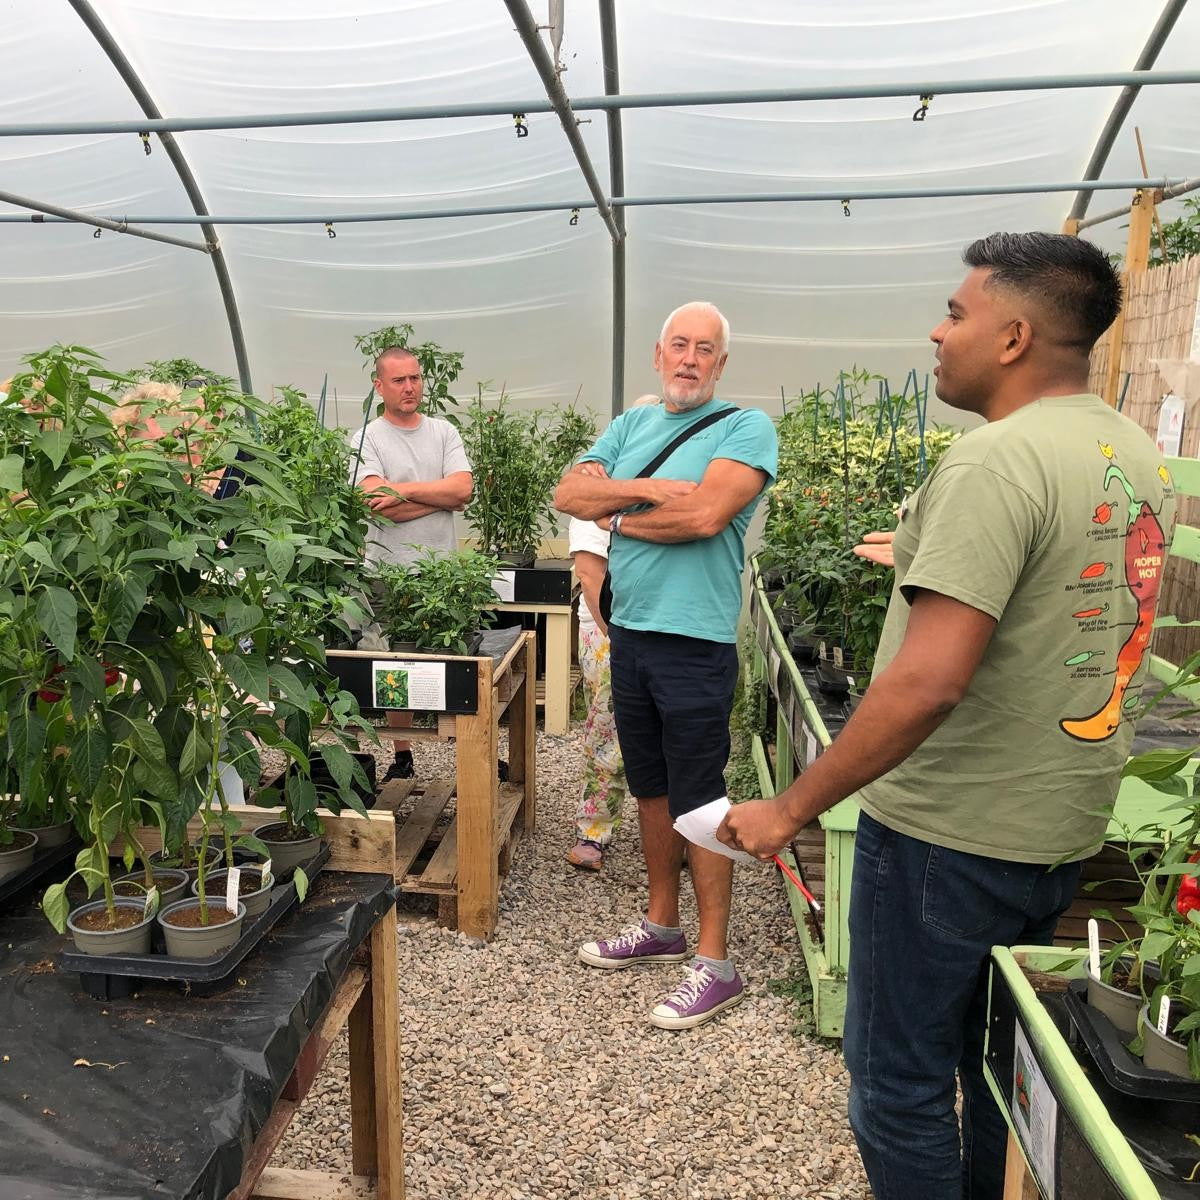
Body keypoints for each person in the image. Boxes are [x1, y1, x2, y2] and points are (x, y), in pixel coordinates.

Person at [718, 232, 1176, 1198]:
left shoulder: (993, 464)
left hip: (945, 836)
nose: (938, 330)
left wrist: (790, 810)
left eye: (958, 312)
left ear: (1013, 337)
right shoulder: (1128, 447)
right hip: (1053, 830)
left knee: (897, 1086)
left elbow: (929, 684)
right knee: (986, 1070)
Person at [554, 301, 778, 1029]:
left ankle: (715, 961)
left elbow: (706, 517)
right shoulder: (632, 425)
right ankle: (662, 926)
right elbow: (568, 493)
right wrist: (646, 491)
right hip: (633, 636)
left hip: (694, 641)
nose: (689, 358)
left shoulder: (746, 428)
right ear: (658, 355)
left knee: (700, 796)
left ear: (720, 363)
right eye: (678, 345)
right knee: (650, 788)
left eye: (704, 349)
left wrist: (613, 510)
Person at [353, 346, 473, 780]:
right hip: (385, 571)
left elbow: (462, 491)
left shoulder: (443, 432)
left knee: (451, 662)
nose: (409, 387)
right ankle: (402, 754)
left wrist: (403, 493)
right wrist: (437, 498)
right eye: (399, 380)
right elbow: (373, 501)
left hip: (440, 573)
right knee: (391, 666)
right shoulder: (367, 438)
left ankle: (467, 758)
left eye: (415, 378)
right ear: (379, 385)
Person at [566, 395, 660, 871]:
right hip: (609, 633)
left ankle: (673, 832)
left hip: (663, 630)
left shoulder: (665, 488)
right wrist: (623, 639)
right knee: (608, 728)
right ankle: (594, 830)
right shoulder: (595, 492)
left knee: (667, 733)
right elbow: (591, 577)